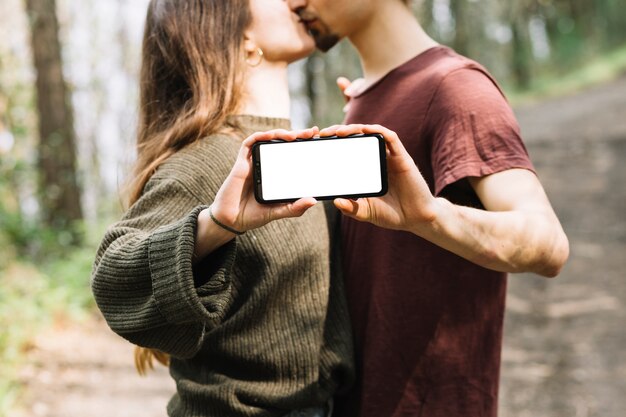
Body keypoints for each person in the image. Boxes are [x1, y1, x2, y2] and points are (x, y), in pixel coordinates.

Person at [286, 0, 570, 416]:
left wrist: (432, 216)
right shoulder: (364, 99)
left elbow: (548, 243)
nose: (294, 3)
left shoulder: (454, 86)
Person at [90, 0, 354, 416]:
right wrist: (213, 226)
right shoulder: (213, 160)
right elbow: (113, 280)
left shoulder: (294, 155)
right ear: (240, 33)